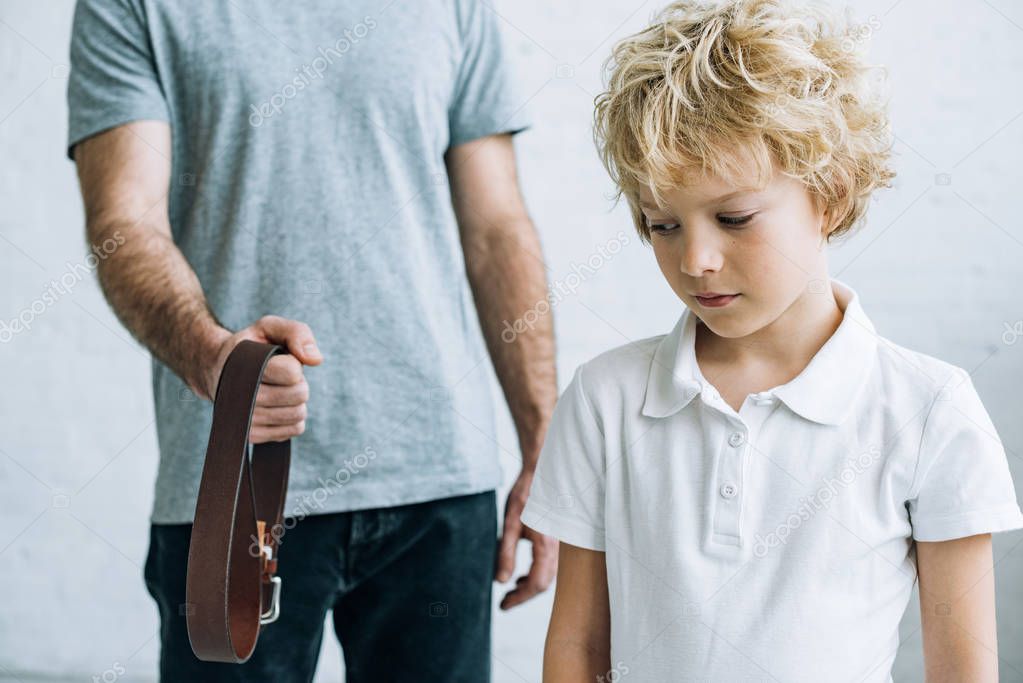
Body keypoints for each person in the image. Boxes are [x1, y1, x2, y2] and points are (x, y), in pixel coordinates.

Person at [520, 0, 1023, 680]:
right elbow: (577, 648)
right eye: (662, 225)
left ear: (830, 196)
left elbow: (962, 669)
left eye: (733, 217)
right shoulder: (605, 397)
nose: (694, 258)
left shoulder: (927, 407)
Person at [66, 0, 558, 680]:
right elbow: (123, 222)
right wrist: (215, 360)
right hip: (232, 488)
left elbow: (497, 228)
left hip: (438, 486)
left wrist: (546, 446)